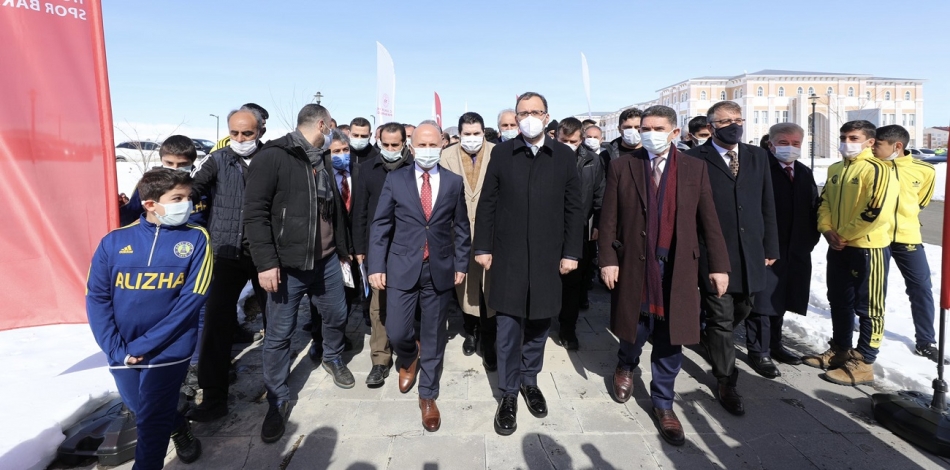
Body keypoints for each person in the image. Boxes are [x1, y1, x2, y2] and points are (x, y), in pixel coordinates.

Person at [599, 105, 729, 447]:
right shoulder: (623, 166)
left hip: (677, 265)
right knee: (634, 326)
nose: (649, 134)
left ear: (674, 133)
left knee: (672, 336)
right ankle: (626, 364)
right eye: (645, 128)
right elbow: (609, 218)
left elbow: (709, 221)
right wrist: (608, 260)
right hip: (634, 264)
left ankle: (663, 402)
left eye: (658, 129)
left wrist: (718, 266)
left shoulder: (693, 168)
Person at [474, 92, 583, 436]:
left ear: (547, 116)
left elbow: (574, 207)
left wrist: (571, 252)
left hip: (548, 256)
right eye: (523, 113)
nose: (529, 117)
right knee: (508, 327)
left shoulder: (563, 155)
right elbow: (488, 202)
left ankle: (529, 380)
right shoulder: (502, 153)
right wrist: (483, 247)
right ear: (516, 117)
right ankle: (508, 392)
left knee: (538, 324)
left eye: (536, 112)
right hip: (508, 255)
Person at [243, 104, 354, 443]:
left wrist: (343, 250)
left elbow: (335, 210)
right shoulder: (274, 157)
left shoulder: (324, 158)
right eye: (331, 126)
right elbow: (255, 214)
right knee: (279, 334)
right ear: (321, 124)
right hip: (286, 265)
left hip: (327, 260)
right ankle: (277, 397)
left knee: (337, 313)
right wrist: (266, 263)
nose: (333, 131)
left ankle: (331, 356)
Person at [86, 168, 211, 468]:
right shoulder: (113, 241)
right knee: (141, 409)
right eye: (177, 198)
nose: (187, 205)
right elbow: (97, 298)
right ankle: (178, 426)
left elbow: (192, 299)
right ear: (150, 204)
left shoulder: (197, 238)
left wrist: (144, 344)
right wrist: (116, 349)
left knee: (152, 422)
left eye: (188, 197)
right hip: (122, 349)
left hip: (170, 348)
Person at [368, 122, 471, 432]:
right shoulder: (396, 179)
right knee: (397, 331)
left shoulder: (453, 182)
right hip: (401, 266)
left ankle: (428, 394)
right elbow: (381, 224)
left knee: (434, 335)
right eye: (422, 145)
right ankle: (409, 356)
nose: (428, 150)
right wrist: (376, 266)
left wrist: (461, 263)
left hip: (439, 268)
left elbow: (461, 227)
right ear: (411, 147)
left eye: (433, 144)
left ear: (442, 145)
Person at [684, 101, 779, 416]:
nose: (733, 125)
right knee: (721, 317)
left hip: (750, 251)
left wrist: (770, 246)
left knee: (744, 306)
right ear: (711, 126)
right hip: (714, 251)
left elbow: (767, 202)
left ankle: (711, 337)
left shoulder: (757, 156)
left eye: (738, 119)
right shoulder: (694, 158)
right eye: (725, 121)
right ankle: (726, 380)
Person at [186, 106, 269, 423]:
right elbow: (194, 187)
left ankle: (276, 386)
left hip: (264, 254)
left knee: (276, 320)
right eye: (234, 133)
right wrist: (174, 198)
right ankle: (214, 396)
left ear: (260, 131)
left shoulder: (272, 159)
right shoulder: (218, 160)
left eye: (247, 133)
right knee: (216, 324)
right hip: (225, 251)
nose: (240, 138)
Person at [804, 120, 897, 386]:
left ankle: (864, 361)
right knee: (839, 300)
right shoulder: (836, 168)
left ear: (870, 141)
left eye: (854, 138)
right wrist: (826, 229)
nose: (847, 142)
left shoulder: (879, 169)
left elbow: (875, 211)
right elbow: (824, 203)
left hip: (868, 247)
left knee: (869, 307)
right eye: (843, 137)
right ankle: (840, 349)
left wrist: (843, 234)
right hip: (838, 247)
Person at [744, 123, 820, 378]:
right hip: (766, 249)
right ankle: (759, 351)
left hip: (795, 248)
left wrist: (809, 241)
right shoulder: (758, 169)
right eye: (784, 143)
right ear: (771, 144)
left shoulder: (803, 172)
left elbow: (812, 207)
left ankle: (775, 344)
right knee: (762, 302)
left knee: (783, 297)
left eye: (795, 143)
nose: (790, 148)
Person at [352, 122, 414, 387]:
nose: (389, 149)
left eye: (394, 145)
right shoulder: (367, 169)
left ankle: (410, 352)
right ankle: (380, 359)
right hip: (378, 248)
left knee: (410, 303)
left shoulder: (415, 168)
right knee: (378, 305)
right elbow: (360, 212)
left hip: (409, 247)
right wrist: (360, 249)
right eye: (385, 144)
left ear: (404, 143)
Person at [872, 125, 940, 363]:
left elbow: (921, 201)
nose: (873, 148)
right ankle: (869, 331)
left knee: (921, 288)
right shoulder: (872, 167)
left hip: (908, 237)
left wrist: (903, 218)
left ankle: (926, 341)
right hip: (875, 237)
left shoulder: (925, 170)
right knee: (872, 288)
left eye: (877, 144)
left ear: (897, 146)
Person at [440, 112, 498, 370]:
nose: (472, 138)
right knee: (464, 287)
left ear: (483, 132)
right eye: (467, 134)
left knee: (490, 286)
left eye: (476, 133)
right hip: (458, 233)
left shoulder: (497, 153)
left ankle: (489, 338)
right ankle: (470, 330)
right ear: (460, 134)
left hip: (491, 233)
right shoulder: (446, 156)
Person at [306, 130, 363, 363]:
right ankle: (318, 339)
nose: (341, 155)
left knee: (346, 296)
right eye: (335, 151)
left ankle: (338, 335)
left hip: (354, 247)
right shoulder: (321, 175)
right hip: (330, 247)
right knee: (321, 299)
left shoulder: (358, 172)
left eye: (345, 150)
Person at [555, 117, 605, 350]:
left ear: (581, 139)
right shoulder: (546, 157)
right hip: (548, 230)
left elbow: (600, 195)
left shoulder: (592, 161)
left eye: (573, 141)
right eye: (563, 141)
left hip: (579, 230)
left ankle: (568, 329)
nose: (568, 146)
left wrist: (598, 224)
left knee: (573, 283)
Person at [118, 136, 207, 226]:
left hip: (196, 232)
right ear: (161, 159)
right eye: (169, 163)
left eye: (182, 164)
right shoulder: (151, 182)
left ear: (192, 161)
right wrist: (122, 208)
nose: (175, 168)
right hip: (159, 232)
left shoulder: (204, 181)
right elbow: (132, 214)